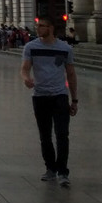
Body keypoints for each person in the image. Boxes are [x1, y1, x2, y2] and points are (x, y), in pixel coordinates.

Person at [21, 16, 78, 187]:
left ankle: (63, 170)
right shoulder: (31, 47)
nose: (38, 29)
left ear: (51, 28)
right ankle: (50, 168)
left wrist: (74, 99)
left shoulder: (65, 48)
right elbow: (24, 68)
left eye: (43, 26)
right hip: (40, 96)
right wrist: (26, 79)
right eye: (38, 26)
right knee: (45, 136)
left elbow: (71, 74)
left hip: (60, 95)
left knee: (62, 134)